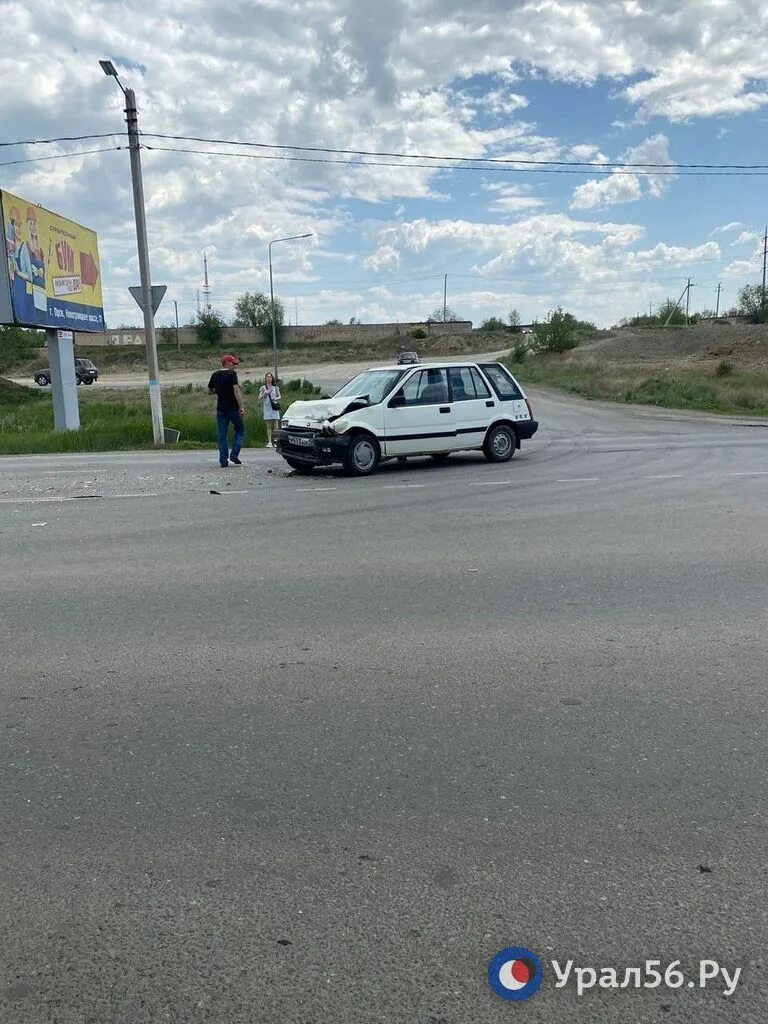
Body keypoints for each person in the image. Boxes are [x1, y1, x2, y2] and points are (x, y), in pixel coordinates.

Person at [208, 354, 245, 467]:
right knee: (240, 430)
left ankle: (223, 460)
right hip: (233, 408)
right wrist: (241, 407)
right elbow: (236, 390)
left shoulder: (215, 374)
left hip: (221, 409)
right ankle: (234, 454)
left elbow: (210, 391)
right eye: (233, 363)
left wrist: (219, 390)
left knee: (222, 435)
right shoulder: (231, 374)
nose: (234, 366)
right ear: (227, 363)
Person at [259, 372, 281, 448]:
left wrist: (276, 399)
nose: (269, 378)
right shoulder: (263, 387)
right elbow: (259, 397)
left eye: (270, 377)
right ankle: (269, 442)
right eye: (267, 377)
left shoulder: (276, 387)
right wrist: (265, 394)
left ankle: (276, 441)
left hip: (274, 407)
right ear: (265, 378)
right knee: (268, 426)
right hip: (267, 408)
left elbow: (280, 396)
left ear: (272, 378)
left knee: (276, 426)